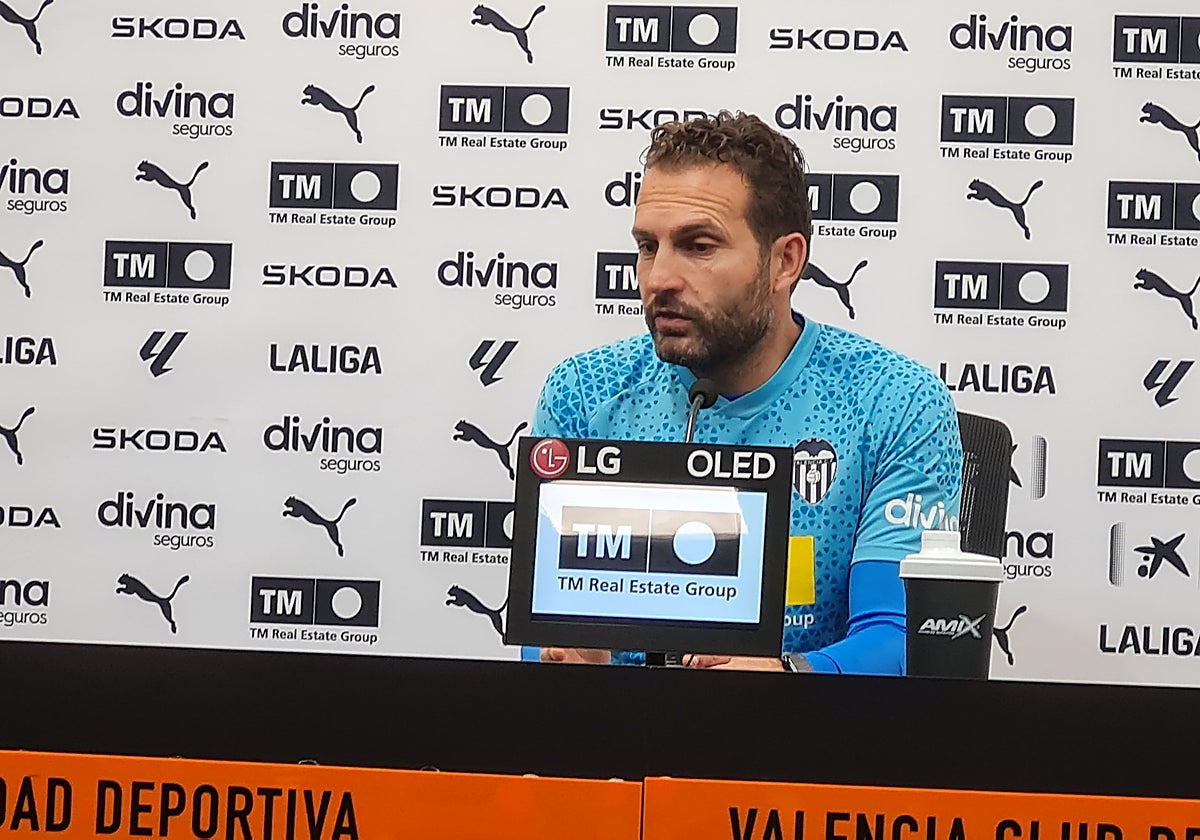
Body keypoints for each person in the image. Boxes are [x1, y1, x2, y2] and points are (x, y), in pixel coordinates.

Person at [530, 111, 962, 675]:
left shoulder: (893, 401)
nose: (658, 278)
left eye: (699, 246)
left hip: (800, 748)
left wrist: (787, 677)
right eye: (647, 246)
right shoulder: (586, 394)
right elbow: (546, 639)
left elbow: (898, 638)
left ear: (785, 261)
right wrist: (570, 661)